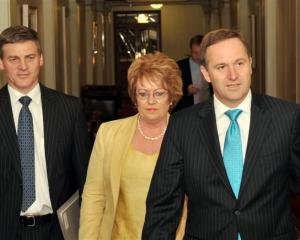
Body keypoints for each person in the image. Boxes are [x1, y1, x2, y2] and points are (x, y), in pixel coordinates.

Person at [142, 28, 300, 239]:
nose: (233, 75)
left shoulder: (287, 117)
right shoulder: (182, 125)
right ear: (206, 73)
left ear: (250, 64)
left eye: (239, 63)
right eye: (221, 67)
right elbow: (162, 207)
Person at [79, 52, 186, 240]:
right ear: (134, 98)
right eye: (143, 93)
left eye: (159, 93)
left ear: (172, 96)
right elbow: (94, 196)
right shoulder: (108, 133)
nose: (150, 101)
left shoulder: (188, 137)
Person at [0, 25, 91, 239]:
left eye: (30, 57)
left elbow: (86, 178)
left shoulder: (69, 109)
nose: (23, 66)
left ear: (40, 59)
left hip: (57, 231)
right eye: (14, 59)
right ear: (2, 63)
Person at [172, 34, 212, 112]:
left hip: (208, 108)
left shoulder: (211, 64)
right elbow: (172, 88)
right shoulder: (180, 66)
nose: (198, 56)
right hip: (186, 109)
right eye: (195, 53)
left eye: (200, 53)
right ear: (190, 50)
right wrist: (186, 89)